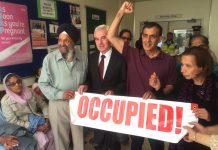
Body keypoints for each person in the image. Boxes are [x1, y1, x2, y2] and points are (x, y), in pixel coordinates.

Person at [107, 2, 177, 150]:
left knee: (157, 146)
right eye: (145, 35)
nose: (148, 40)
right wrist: (121, 12)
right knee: (136, 144)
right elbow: (111, 36)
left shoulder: (169, 60)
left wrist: (158, 90)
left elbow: (170, 86)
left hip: (156, 114)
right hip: (135, 112)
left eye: (153, 37)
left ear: (160, 39)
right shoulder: (133, 55)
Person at [78, 24, 128, 150]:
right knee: (98, 141)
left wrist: (114, 91)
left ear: (110, 38)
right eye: (96, 39)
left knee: (113, 142)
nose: (100, 42)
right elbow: (90, 79)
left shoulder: (121, 58)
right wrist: (85, 86)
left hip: (114, 107)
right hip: (97, 109)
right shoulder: (92, 57)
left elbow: (125, 82)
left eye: (103, 38)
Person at [38, 23, 88, 150]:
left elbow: (87, 78)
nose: (62, 43)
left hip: (78, 104)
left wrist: (86, 85)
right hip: (57, 105)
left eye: (66, 40)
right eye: (60, 40)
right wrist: (61, 94)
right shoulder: (49, 59)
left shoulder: (83, 57)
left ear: (74, 42)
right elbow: (43, 84)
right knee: (61, 141)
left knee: (79, 138)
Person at [169, 46, 218, 150]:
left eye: (188, 66)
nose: (182, 70)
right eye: (182, 65)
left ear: (203, 67)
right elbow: (171, 105)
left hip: (204, 141)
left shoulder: (215, 87)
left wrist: (210, 116)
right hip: (181, 137)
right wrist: (157, 90)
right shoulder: (181, 83)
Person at [1, 73, 54, 150]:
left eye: (18, 81)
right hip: (24, 127)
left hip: (39, 119)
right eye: (13, 84)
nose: (17, 85)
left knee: (53, 133)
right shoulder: (5, 101)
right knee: (38, 141)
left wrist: (46, 119)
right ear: (8, 87)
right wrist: (34, 127)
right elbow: (12, 121)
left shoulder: (30, 91)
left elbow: (43, 105)